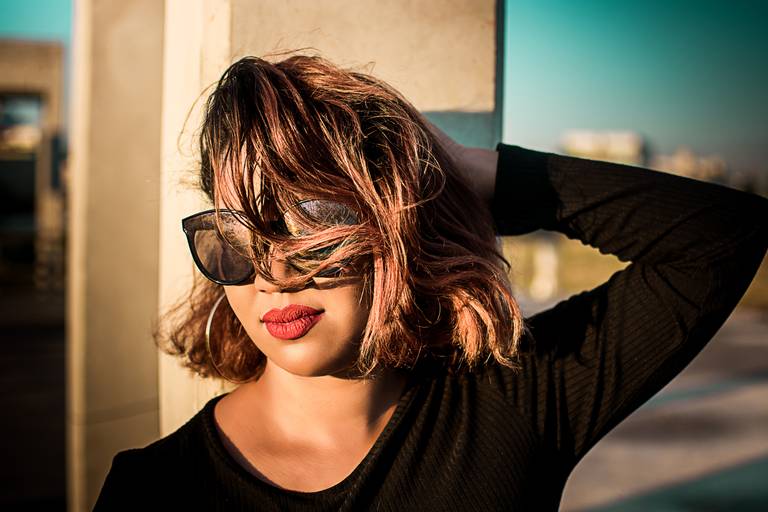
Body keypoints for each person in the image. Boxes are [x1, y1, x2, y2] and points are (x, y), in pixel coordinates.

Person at [94, 54, 767, 511]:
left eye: (314, 223)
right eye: (237, 236)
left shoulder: (516, 403)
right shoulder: (154, 488)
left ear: (391, 222)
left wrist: (468, 171)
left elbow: (721, 238)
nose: (273, 274)